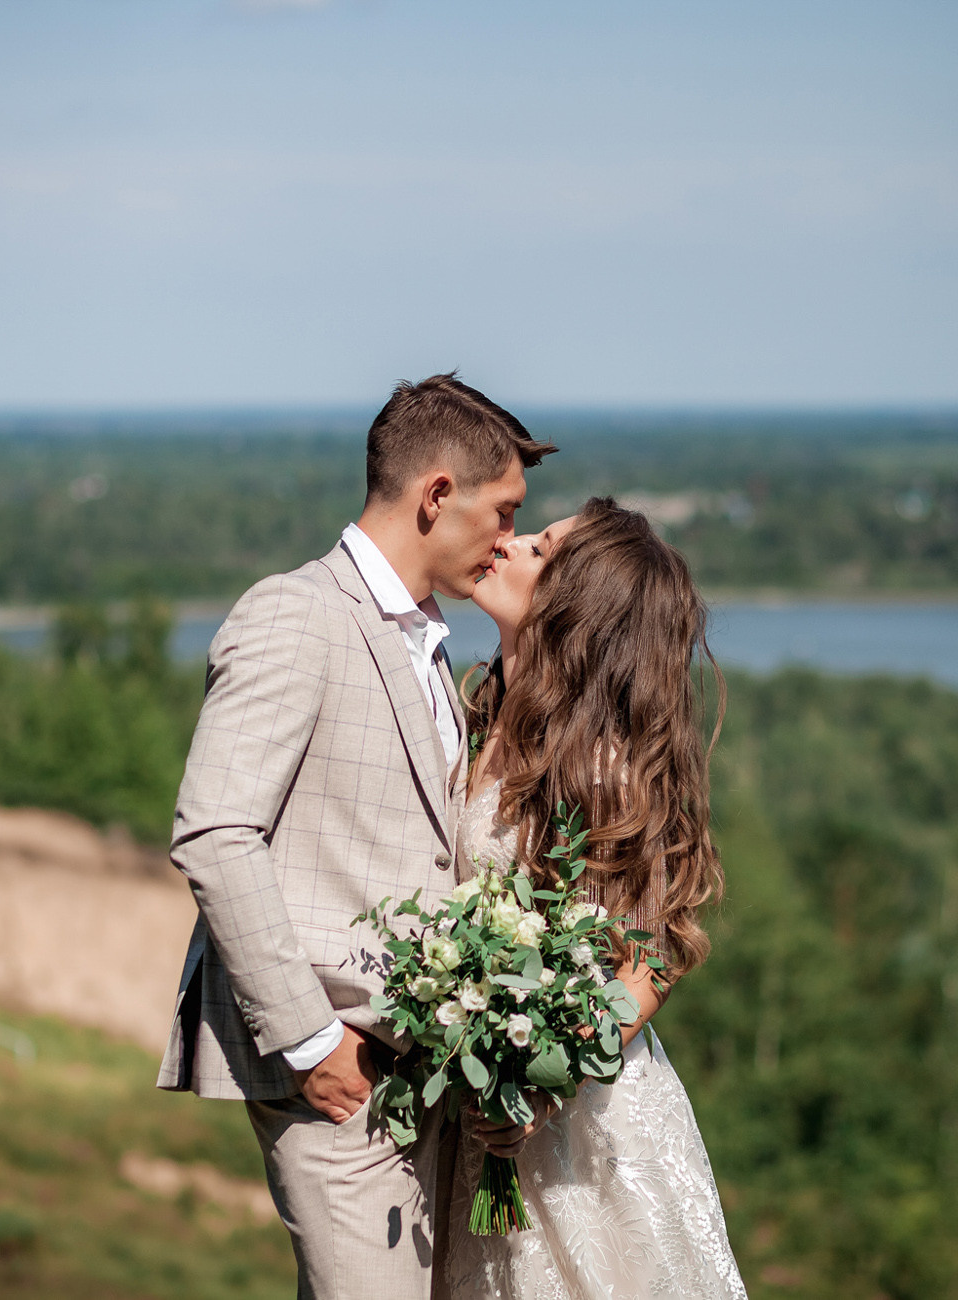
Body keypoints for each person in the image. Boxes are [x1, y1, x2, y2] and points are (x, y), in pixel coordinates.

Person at [157, 373, 557, 1300]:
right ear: (436, 496)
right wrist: (306, 1041)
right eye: (503, 512)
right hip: (331, 1078)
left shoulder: (426, 636)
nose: (508, 539)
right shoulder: (295, 613)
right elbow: (215, 833)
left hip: (418, 1076)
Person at [440, 496, 749, 1299]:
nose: (506, 543)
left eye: (537, 549)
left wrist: (542, 1083)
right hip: (479, 1117)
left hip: (581, 1130)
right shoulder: (477, 713)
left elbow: (648, 961)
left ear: (574, 612)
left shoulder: (600, 766)